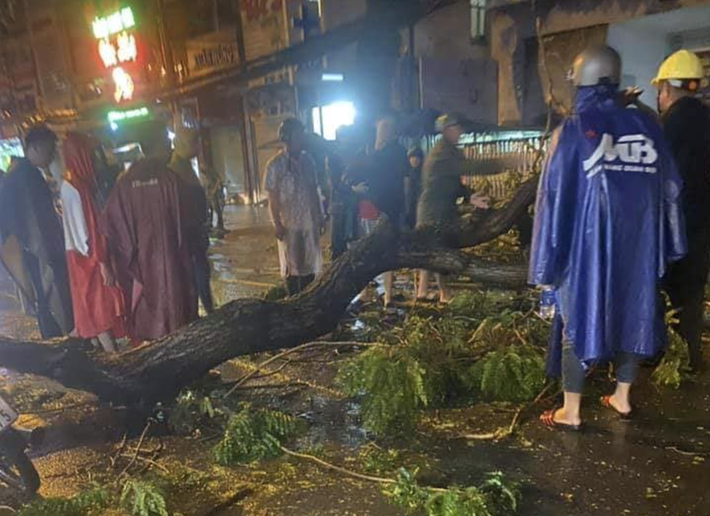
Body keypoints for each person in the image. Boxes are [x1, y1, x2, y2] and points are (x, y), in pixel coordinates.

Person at [529, 45, 686, 430]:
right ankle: (622, 397)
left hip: (586, 249)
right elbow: (672, 187)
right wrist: (671, 243)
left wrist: (545, 265)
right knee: (636, 311)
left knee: (576, 319)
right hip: (639, 245)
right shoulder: (648, 126)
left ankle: (572, 410)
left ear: (580, 79)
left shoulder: (573, 128)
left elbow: (553, 197)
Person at [102, 124, 197, 342]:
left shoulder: (124, 183)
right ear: (157, 145)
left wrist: (109, 262)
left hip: (141, 268)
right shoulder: (171, 180)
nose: (171, 148)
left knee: (145, 314)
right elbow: (191, 223)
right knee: (175, 312)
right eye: (166, 142)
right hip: (173, 264)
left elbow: (110, 227)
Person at [652, 50, 710, 371]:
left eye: (659, 91)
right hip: (702, 223)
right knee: (692, 292)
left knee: (666, 290)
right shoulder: (706, 118)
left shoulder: (666, 127)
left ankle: (663, 354)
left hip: (671, 224)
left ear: (668, 90)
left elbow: (659, 177)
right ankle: (689, 356)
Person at [0, 125, 73, 338]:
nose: (51, 158)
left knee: (45, 308)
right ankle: (65, 355)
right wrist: (48, 258)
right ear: (37, 147)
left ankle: (61, 353)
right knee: (53, 307)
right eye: (50, 152)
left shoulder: (20, 175)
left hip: (33, 257)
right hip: (40, 257)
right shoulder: (26, 178)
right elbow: (35, 225)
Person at [415, 114, 492, 303]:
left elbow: (451, 183)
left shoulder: (446, 150)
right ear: (448, 129)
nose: (461, 132)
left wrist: (470, 195)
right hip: (434, 210)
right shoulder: (441, 153)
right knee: (438, 251)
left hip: (436, 208)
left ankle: (426, 292)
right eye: (457, 128)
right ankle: (442, 293)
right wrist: (505, 162)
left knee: (431, 250)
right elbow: (471, 166)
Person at [60, 133, 125, 353]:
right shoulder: (74, 187)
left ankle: (101, 355)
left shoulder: (77, 185)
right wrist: (101, 262)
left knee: (94, 312)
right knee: (98, 314)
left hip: (85, 256)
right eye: (90, 156)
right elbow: (84, 233)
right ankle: (115, 361)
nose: (95, 161)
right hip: (86, 259)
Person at [344, 116, 408, 309]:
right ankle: (370, 294)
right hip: (366, 211)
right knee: (365, 253)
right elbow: (346, 180)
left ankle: (384, 295)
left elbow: (399, 183)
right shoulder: (366, 153)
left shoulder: (392, 153)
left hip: (380, 211)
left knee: (381, 253)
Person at [265, 118, 324, 296]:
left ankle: (308, 302)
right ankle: (293, 302)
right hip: (288, 225)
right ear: (287, 138)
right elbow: (272, 198)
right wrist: (277, 224)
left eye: (301, 135)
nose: (301, 139)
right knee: (292, 268)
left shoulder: (309, 162)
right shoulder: (275, 165)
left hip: (308, 223)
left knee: (309, 266)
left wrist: (319, 216)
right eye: (297, 135)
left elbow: (314, 192)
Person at [169, 127, 214, 314]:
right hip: (188, 234)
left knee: (200, 273)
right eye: (195, 143)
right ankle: (202, 311)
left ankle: (204, 308)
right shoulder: (175, 171)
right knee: (197, 274)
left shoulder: (185, 166)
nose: (198, 147)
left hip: (194, 231)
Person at [404, 147, 424, 229]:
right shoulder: (408, 173)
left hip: (420, 208)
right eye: (412, 157)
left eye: (417, 157)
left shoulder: (423, 173)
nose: (414, 159)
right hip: (409, 208)